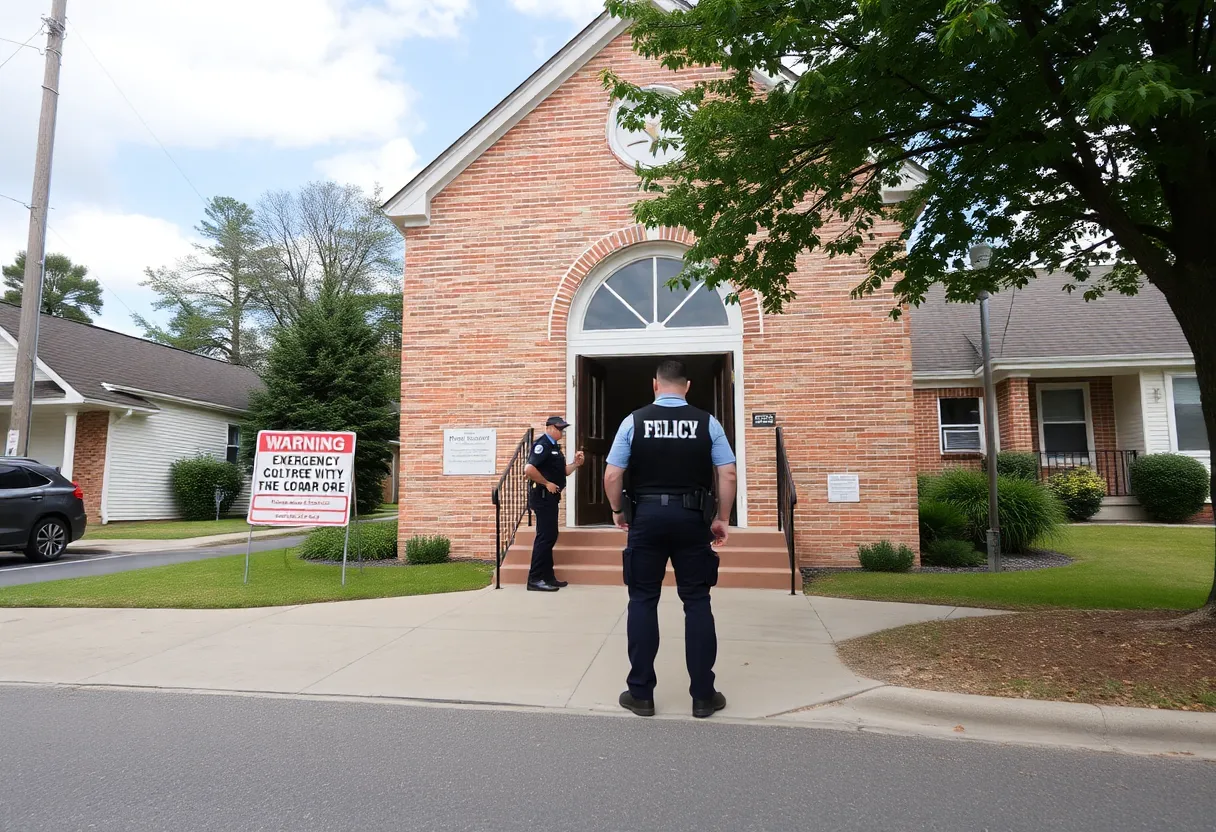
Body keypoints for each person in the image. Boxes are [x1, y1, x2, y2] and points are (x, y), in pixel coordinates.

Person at [603, 359, 737, 718]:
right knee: (696, 601)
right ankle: (704, 696)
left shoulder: (633, 421)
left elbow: (613, 475)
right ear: (688, 386)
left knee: (643, 599)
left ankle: (641, 694)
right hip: (692, 519)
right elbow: (728, 473)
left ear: (655, 385)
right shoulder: (708, 422)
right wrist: (722, 518)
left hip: (646, 518)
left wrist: (618, 512)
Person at [523, 415, 585, 592]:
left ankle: (548, 577)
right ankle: (534, 579)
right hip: (542, 496)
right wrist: (546, 483)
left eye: (563, 429)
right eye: (559, 428)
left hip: (550, 498)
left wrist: (576, 463)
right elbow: (529, 469)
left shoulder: (554, 447)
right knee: (545, 537)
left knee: (550, 536)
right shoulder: (542, 445)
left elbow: (563, 471)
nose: (561, 432)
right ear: (549, 427)